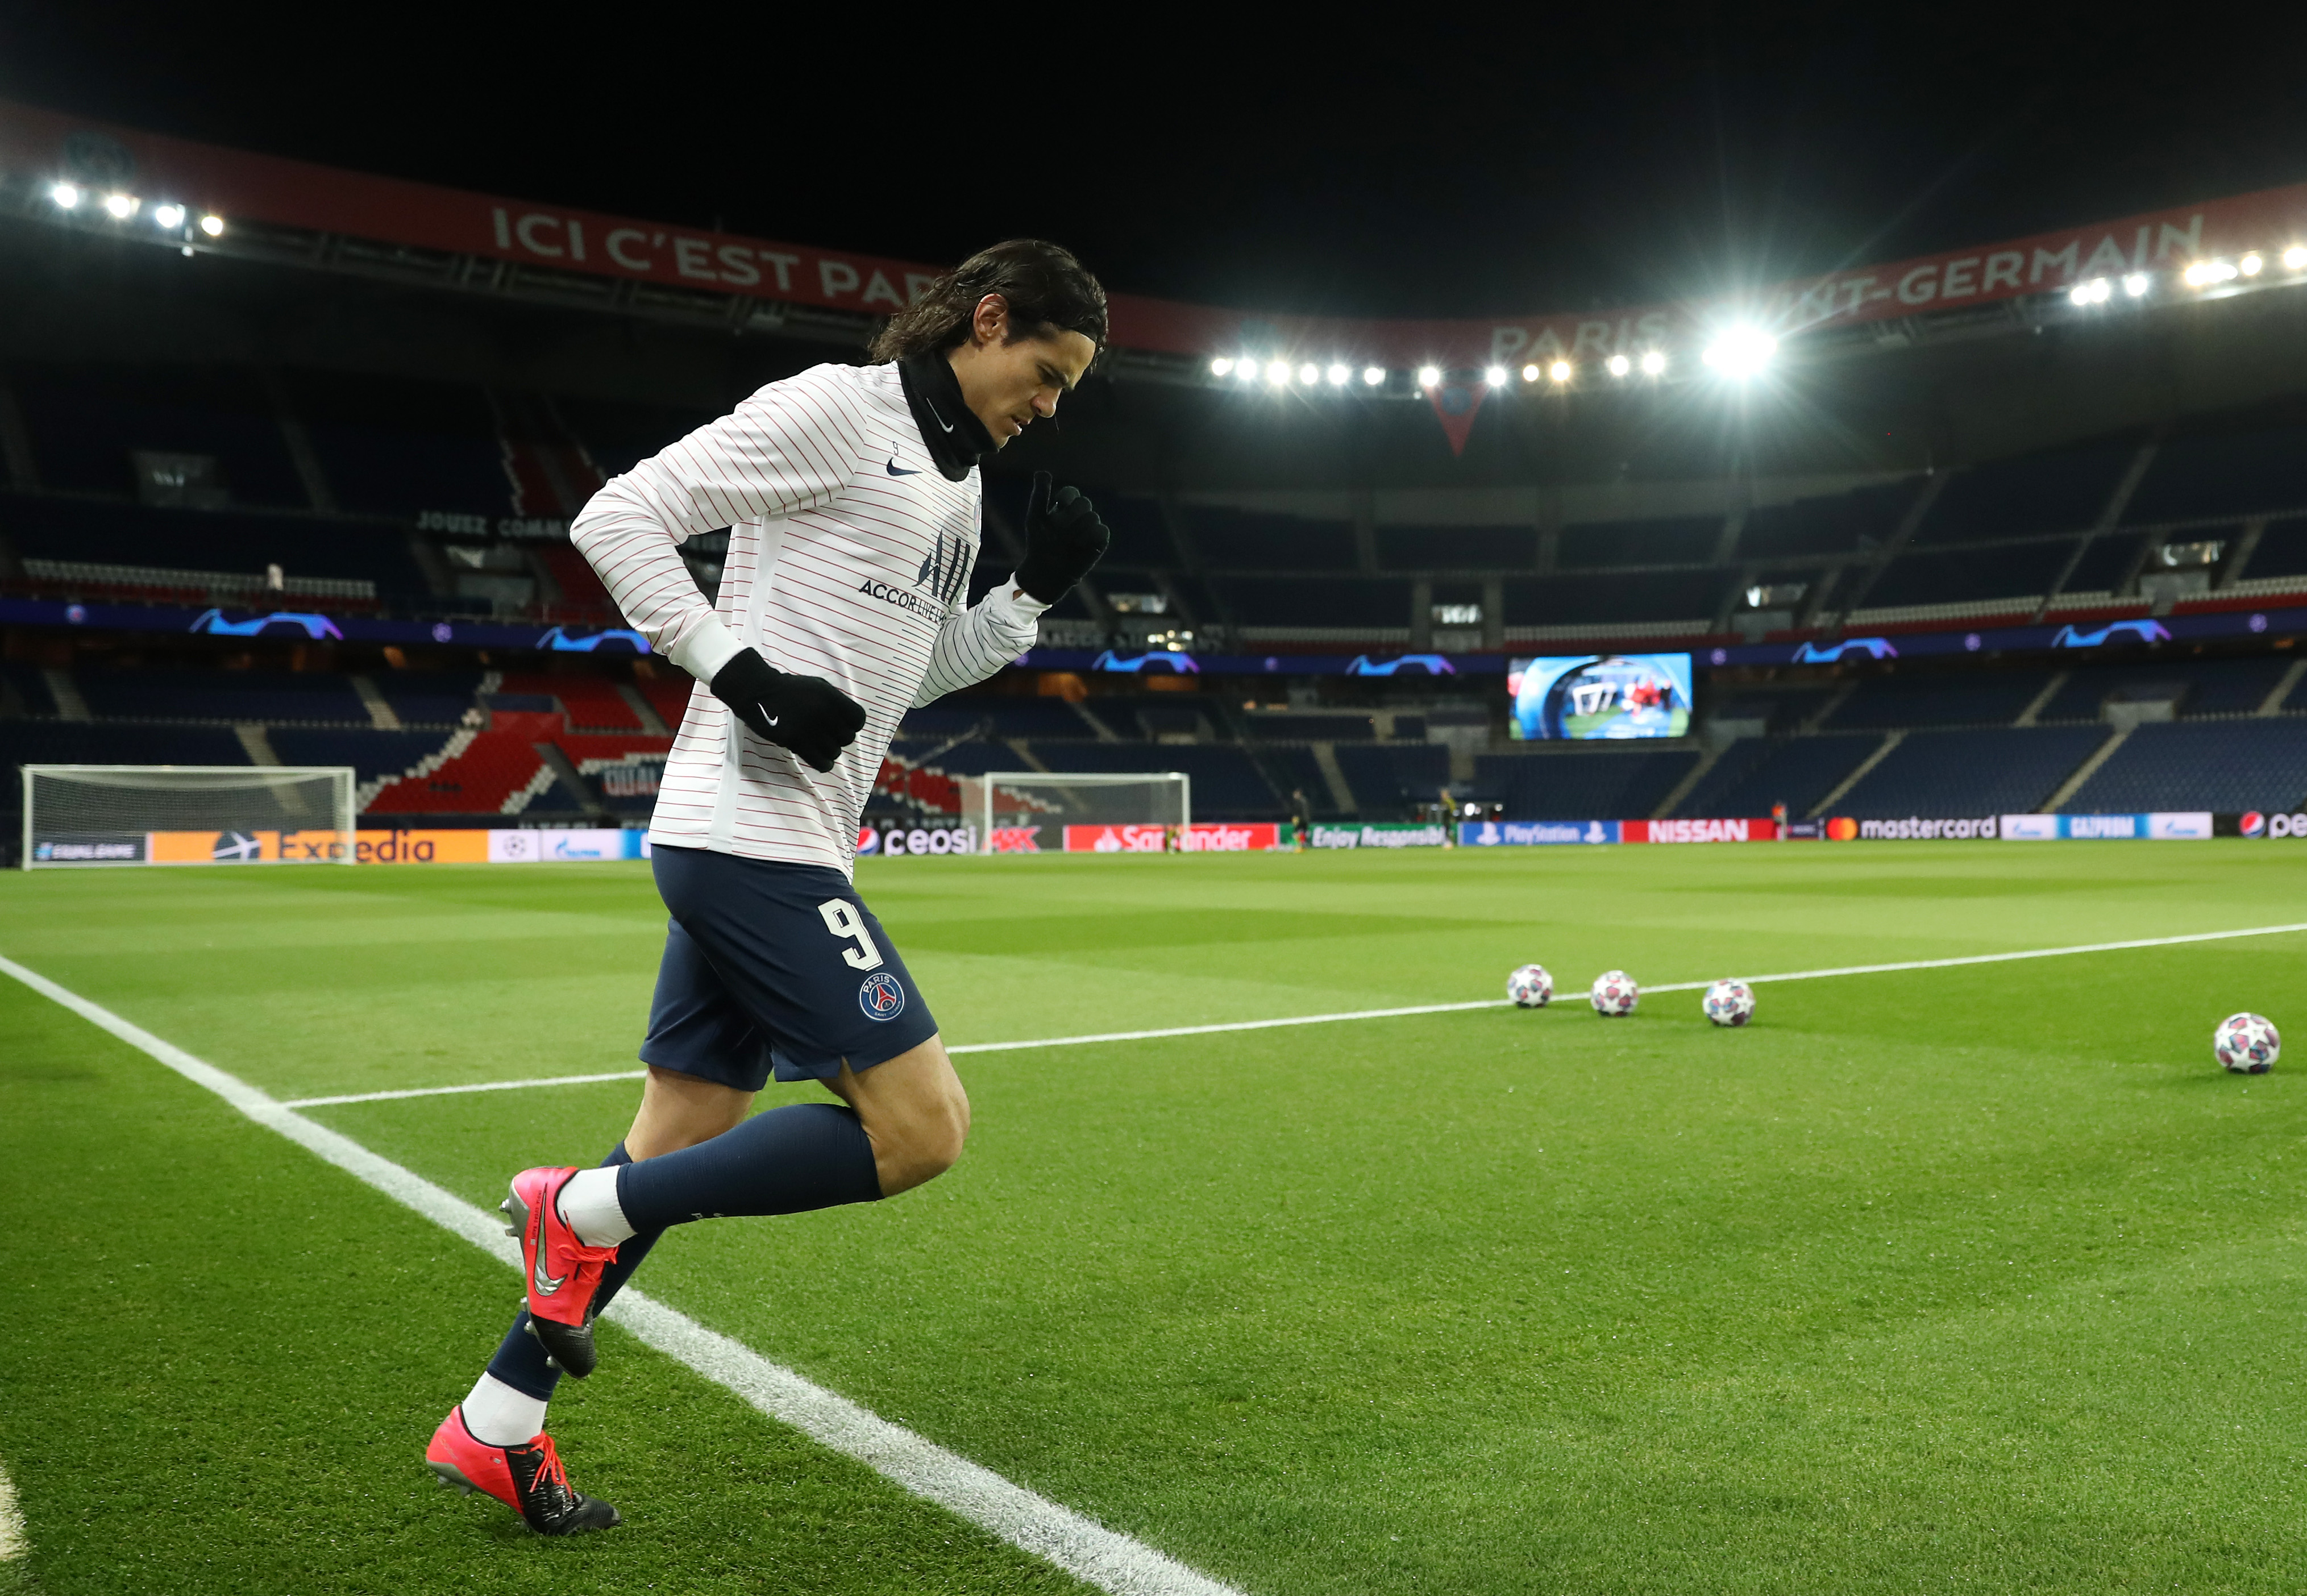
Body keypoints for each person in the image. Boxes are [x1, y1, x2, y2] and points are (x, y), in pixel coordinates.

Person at [423, 240, 1111, 1534]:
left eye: (1067, 388)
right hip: (750, 834)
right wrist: (740, 673)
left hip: (790, 834)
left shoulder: (956, 488)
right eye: (1046, 370)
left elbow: (910, 671)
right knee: (921, 1132)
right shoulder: (837, 410)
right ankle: (572, 1208)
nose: (1051, 403)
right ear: (987, 319)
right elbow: (616, 515)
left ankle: (497, 1421)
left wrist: (1028, 595)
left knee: (685, 1122)